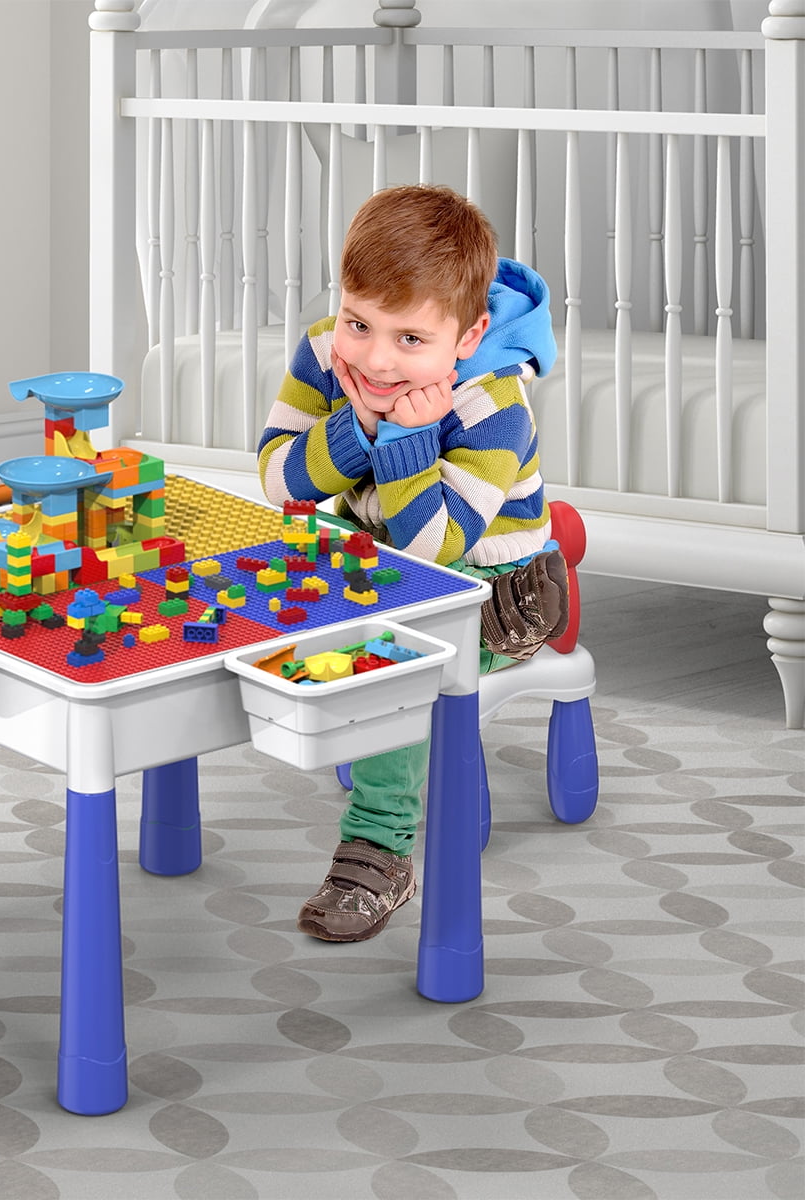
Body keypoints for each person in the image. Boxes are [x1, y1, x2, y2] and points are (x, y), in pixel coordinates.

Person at [257, 183, 568, 943]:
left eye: (410, 340)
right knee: (262, 596)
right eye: (358, 323)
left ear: (468, 335)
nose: (375, 359)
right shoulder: (326, 353)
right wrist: (356, 425)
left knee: (394, 656)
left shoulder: (493, 403)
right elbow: (277, 478)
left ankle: (380, 846)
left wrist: (404, 440)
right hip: (379, 563)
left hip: (492, 585)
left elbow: (433, 549)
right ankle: (362, 724)